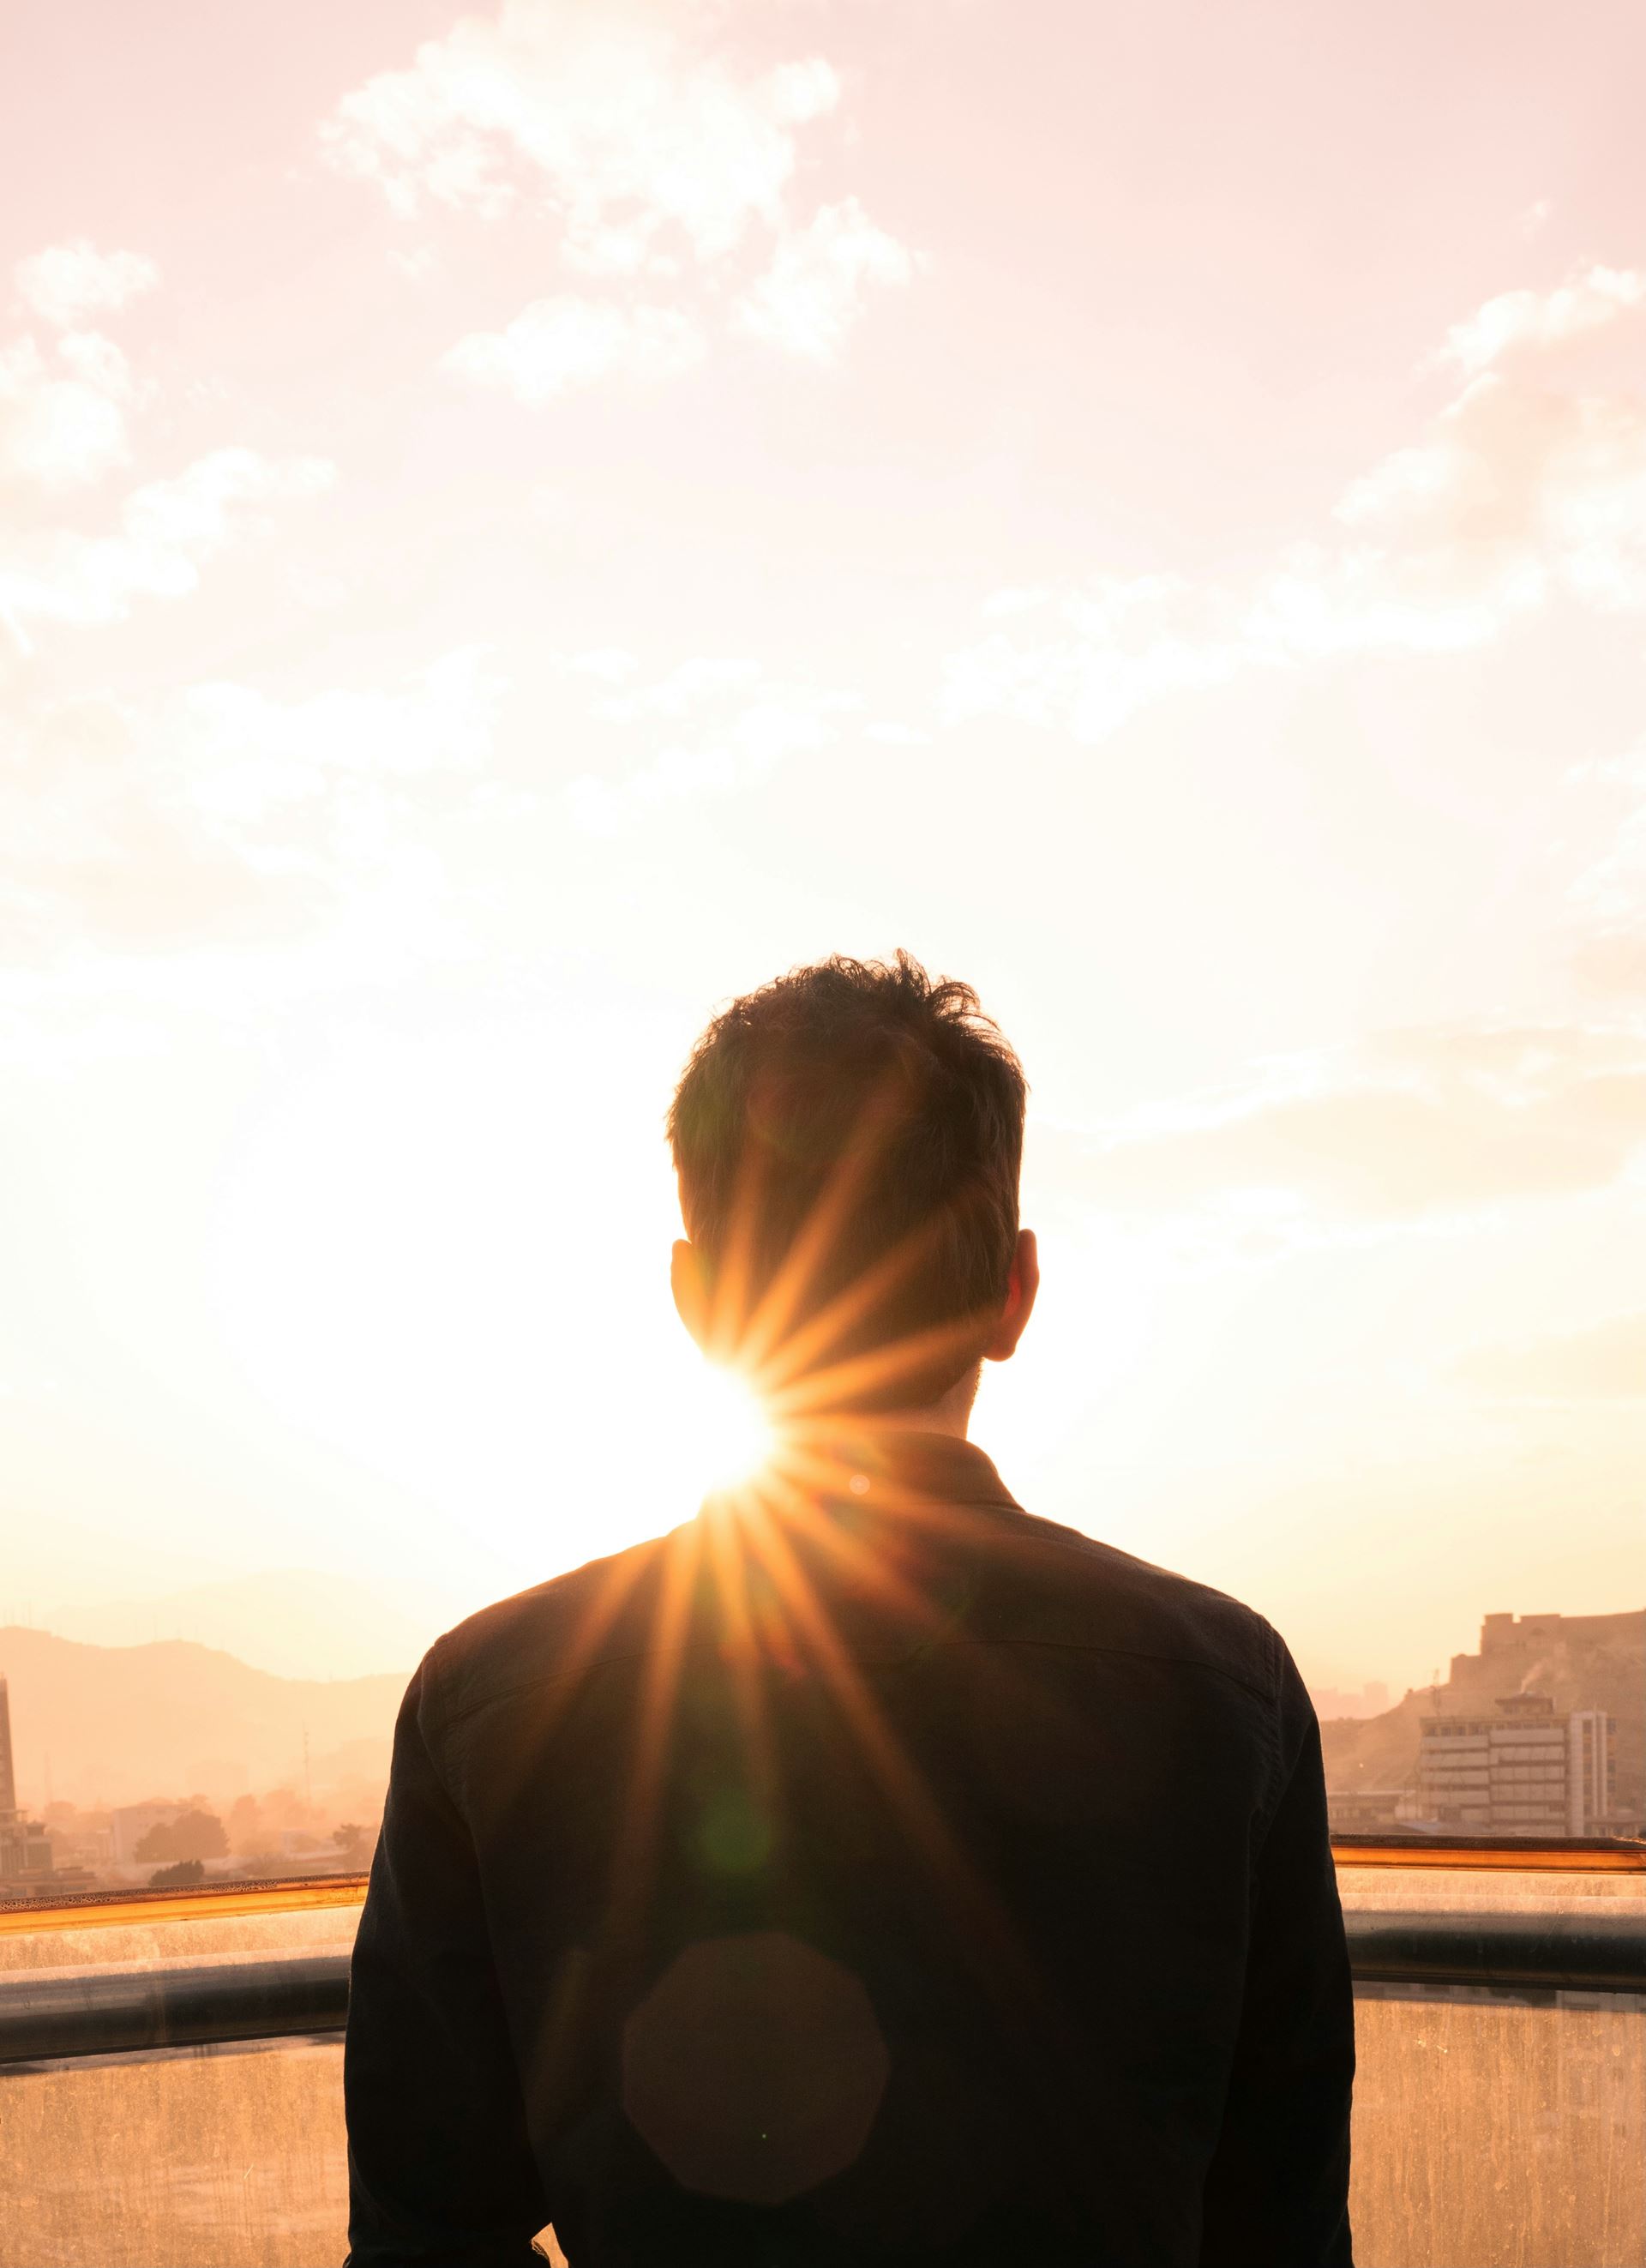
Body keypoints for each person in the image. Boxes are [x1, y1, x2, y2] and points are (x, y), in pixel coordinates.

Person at [344, 952, 1355, 2267]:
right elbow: (1280, 2237)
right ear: (1015, 1292)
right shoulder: (1228, 1692)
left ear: (700, 1303)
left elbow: (428, 2240)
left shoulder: (490, 1699)